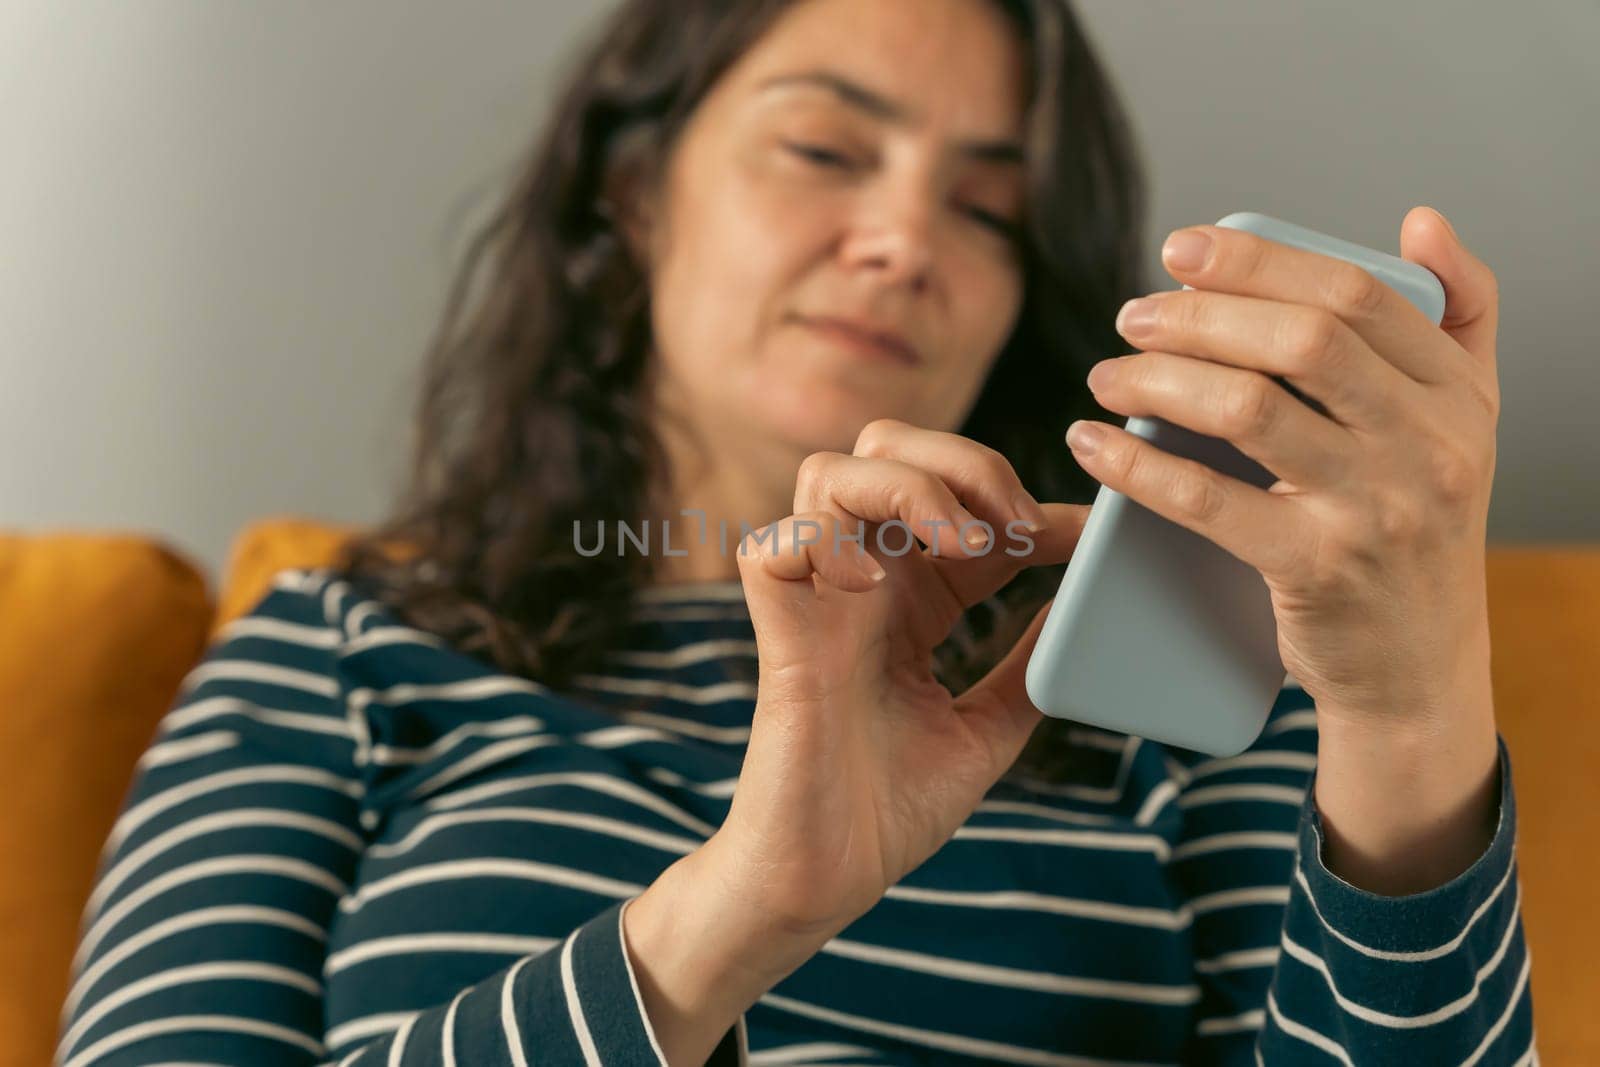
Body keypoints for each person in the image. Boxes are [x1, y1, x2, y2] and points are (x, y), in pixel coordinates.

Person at [57, 0, 1534, 1064]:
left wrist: (1412, 709)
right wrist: (739, 911)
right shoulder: (343, 644)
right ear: (634, 194)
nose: (904, 240)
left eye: (991, 213)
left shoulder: (1178, 690)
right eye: (827, 150)